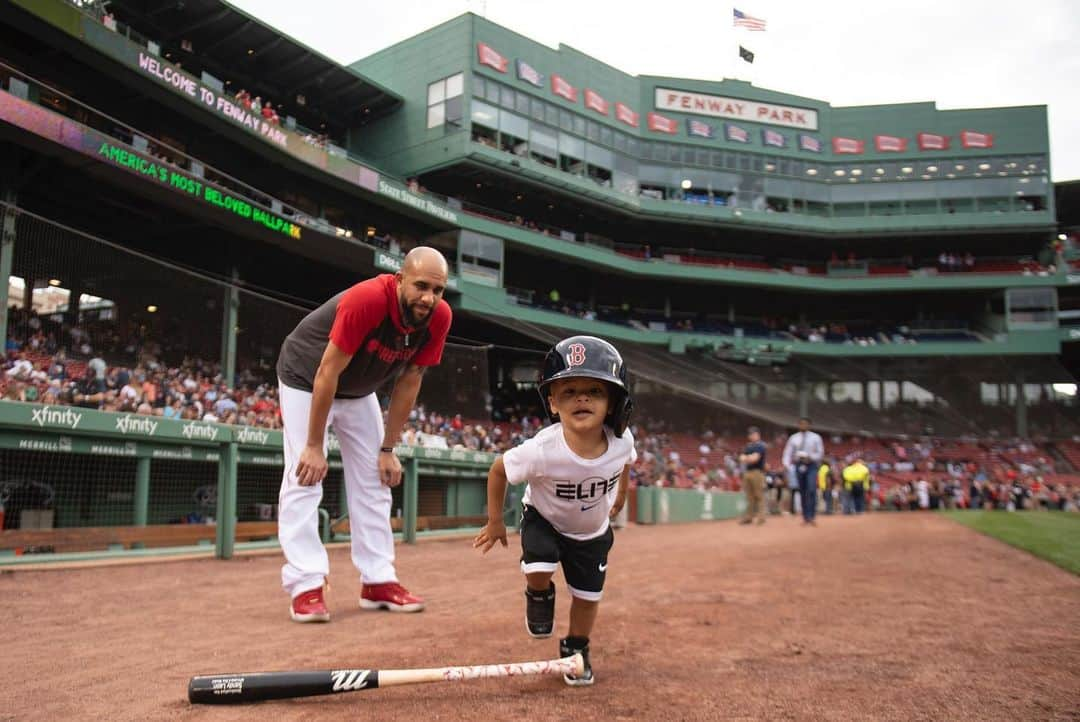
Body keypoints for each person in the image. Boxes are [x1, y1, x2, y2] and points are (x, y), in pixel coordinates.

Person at [275, 247, 452, 623]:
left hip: (358, 390)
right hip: (307, 379)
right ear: (400, 278)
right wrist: (312, 445)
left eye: (438, 290)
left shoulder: (438, 317)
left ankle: (378, 580)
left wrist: (388, 448)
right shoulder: (368, 299)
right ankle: (306, 584)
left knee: (377, 477)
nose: (429, 298)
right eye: (421, 286)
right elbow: (327, 372)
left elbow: (410, 381)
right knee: (305, 475)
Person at [473, 336, 635, 687]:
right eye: (569, 391)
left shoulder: (623, 441)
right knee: (539, 564)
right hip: (544, 519)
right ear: (552, 402)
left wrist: (620, 494)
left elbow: (626, 464)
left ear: (613, 403)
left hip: (591, 533)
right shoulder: (542, 449)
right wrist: (496, 521)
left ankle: (576, 647)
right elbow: (499, 469)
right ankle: (540, 593)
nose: (582, 397)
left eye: (595, 390)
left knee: (588, 597)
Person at [781, 417, 824, 526]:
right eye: (801, 424)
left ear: (809, 425)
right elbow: (787, 452)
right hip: (798, 465)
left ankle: (812, 516)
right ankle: (806, 517)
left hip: (811, 465)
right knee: (802, 491)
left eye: (805, 424)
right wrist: (786, 464)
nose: (803, 426)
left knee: (811, 488)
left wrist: (810, 457)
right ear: (798, 425)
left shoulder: (816, 437)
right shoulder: (793, 438)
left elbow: (820, 453)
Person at [738, 426, 767, 525]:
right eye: (750, 434)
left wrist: (747, 458)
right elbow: (741, 457)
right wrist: (748, 457)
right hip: (748, 472)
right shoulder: (748, 446)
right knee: (749, 496)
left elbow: (755, 458)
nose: (752, 436)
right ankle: (749, 517)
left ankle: (761, 517)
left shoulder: (761, 445)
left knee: (758, 495)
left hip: (757, 472)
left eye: (754, 434)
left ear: (758, 435)